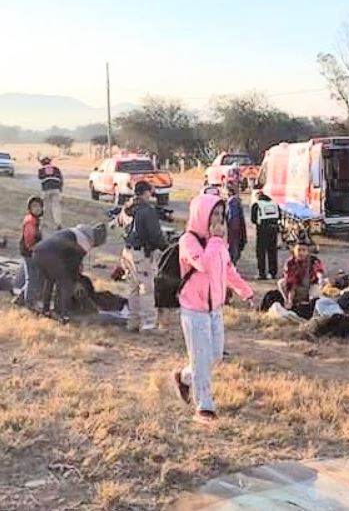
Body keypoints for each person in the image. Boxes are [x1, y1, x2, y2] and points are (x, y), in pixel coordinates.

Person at [173, 193, 254, 424]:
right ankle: (204, 406)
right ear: (202, 215)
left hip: (215, 310)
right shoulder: (188, 241)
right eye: (213, 215)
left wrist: (245, 291)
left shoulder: (218, 244)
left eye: (221, 215)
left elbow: (228, 270)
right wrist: (216, 241)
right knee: (200, 358)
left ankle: (184, 377)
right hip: (194, 310)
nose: (218, 220)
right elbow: (204, 265)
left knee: (215, 356)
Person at [32, 223, 107, 324]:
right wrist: (76, 281)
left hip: (38, 252)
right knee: (66, 284)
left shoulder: (74, 231)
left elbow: (67, 254)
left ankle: (45, 310)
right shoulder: (85, 241)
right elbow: (74, 264)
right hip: (51, 255)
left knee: (49, 280)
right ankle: (63, 315)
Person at [119, 180, 169, 332]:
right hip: (141, 254)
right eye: (150, 192)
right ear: (146, 192)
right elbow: (155, 235)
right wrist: (166, 248)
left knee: (132, 288)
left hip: (127, 253)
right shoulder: (147, 210)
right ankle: (148, 324)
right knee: (146, 289)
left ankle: (133, 322)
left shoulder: (128, 208)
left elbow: (120, 224)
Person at [277, 236, 325, 318]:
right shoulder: (289, 263)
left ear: (308, 251)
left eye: (304, 250)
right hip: (294, 289)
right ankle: (288, 303)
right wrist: (289, 300)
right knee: (281, 282)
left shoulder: (313, 260)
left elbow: (319, 271)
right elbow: (291, 282)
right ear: (294, 251)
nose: (301, 253)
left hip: (310, 287)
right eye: (299, 250)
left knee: (317, 291)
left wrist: (320, 279)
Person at [15, 196, 44, 309]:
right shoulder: (30, 221)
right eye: (34, 206)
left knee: (33, 276)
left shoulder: (35, 219)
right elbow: (29, 239)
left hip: (31, 251)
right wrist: (34, 249)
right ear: (30, 209)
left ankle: (20, 299)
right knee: (31, 278)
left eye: (39, 206)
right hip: (29, 252)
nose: (37, 209)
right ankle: (29, 304)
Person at [250, 189, 280, 280]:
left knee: (261, 252)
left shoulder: (257, 204)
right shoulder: (275, 204)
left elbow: (253, 219)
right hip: (274, 229)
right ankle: (273, 273)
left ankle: (262, 273)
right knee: (272, 252)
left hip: (262, 230)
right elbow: (279, 216)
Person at [37, 156, 64, 232]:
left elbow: (40, 178)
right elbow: (61, 179)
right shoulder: (56, 169)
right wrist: (60, 189)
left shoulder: (41, 169)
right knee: (56, 207)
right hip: (56, 189)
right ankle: (58, 223)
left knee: (45, 207)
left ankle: (43, 223)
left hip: (46, 189)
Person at [225, 182, 247, 265]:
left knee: (233, 248)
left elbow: (233, 219)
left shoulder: (232, 202)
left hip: (233, 230)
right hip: (237, 230)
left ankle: (231, 266)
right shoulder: (235, 201)